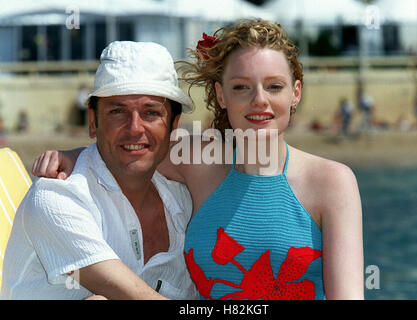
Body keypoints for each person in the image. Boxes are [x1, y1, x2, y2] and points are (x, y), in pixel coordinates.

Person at [31, 19, 364, 300]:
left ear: (295, 93)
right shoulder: (198, 159)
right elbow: (132, 142)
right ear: (221, 95)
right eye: (241, 87)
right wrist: (72, 156)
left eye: (274, 86)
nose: (259, 101)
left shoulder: (332, 182)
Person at [0, 41, 198, 300]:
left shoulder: (182, 197)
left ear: (173, 126)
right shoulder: (57, 195)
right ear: (93, 123)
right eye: (117, 111)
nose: (135, 127)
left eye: (151, 113)